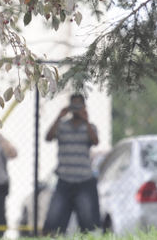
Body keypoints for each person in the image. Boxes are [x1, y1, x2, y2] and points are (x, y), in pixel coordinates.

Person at [43, 93, 100, 234]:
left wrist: (86, 120)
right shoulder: (62, 126)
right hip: (64, 180)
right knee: (54, 223)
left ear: (84, 107)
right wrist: (59, 116)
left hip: (84, 181)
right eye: (73, 105)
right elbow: (48, 137)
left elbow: (95, 141)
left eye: (79, 105)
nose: (76, 109)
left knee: (88, 223)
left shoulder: (90, 126)